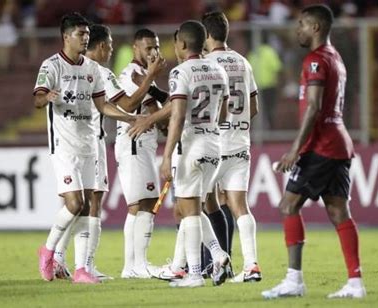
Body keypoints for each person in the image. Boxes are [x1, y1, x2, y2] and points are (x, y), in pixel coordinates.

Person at [33, 13, 162, 284]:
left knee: (86, 206)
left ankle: (81, 268)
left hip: (91, 144)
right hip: (64, 145)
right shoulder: (53, 65)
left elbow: (105, 106)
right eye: (81, 35)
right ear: (66, 37)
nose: (85, 39)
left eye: (87, 35)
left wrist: (132, 118)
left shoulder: (93, 71)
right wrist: (48, 97)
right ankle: (51, 251)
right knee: (78, 204)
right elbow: (38, 98)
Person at [261, 4, 366, 299]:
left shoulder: (316, 60)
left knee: (288, 206)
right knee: (338, 211)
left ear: (316, 27)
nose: (298, 30)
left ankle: (294, 281)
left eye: (302, 25)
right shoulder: (336, 58)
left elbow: (314, 107)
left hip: (322, 145)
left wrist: (295, 149)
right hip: (339, 143)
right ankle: (355, 282)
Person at [159, 20, 230, 288]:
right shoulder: (219, 70)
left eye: (176, 42)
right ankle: (219, 255)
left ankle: (196, 274)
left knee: (189, 213)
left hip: (190, 147)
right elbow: (223, 114)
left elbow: (177, 117)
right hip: (214, 145)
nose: (175, 47)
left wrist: (166, 156)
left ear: (184, 44)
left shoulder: (180, 72)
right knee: (192, 208)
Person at [202, 11, 262, 283]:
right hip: (240, 142)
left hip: (214, 145)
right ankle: (251, 266)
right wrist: (236, 124)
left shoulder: (206, 64)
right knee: (240, 206)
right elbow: (255, 107)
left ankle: (204, 263)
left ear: (207, 35)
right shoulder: (243, 62)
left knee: (196, 203)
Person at [116, 28, 168, 279]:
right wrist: (149, 80)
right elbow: (128, 104)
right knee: (145, 204)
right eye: (148, 48)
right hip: (134, 141)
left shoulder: (145, 75)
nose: (154, 52)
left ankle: (131, 267)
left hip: (143, 143)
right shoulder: (131, 74)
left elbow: (153, 105)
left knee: (139, 205)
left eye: (156, 47)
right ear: (135, 48)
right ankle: (140, 265)